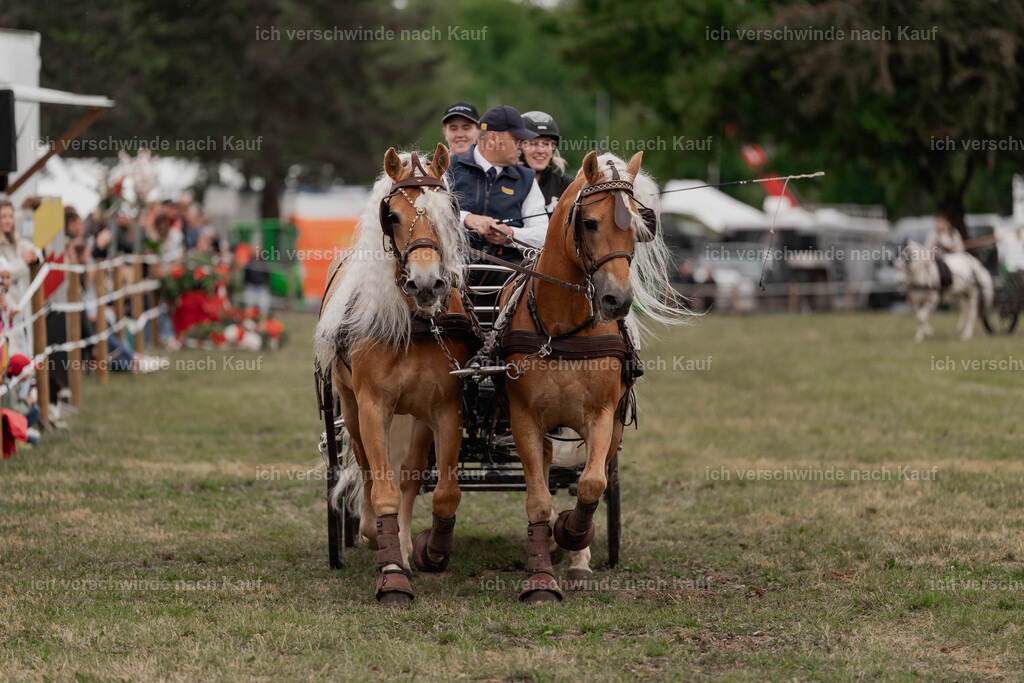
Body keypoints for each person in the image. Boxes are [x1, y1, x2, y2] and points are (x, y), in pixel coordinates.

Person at [448, 105, 548, 262]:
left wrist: (510, 235)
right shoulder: (448, 168)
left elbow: (543, 234)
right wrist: (467, 219)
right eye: (517, 140)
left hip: (509, 276)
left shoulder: (527, 179)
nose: (522, 146)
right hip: (452, 271)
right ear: (493, 138)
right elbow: (426, 215)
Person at [0, 200, 40, 355]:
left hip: (22, 307)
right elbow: (3, 273)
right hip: (6, 307)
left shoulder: (18, 241)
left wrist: (34, 257)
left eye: (10, 216)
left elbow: (36, 252)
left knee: (24, 352)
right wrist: (23, 262)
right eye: (3, 216)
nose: (7, 220)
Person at [520, 111, 572, 214]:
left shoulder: (567, 188)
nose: (540, 150)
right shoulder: (506, 184)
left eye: (545, 144)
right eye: (533, 143)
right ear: (520, 148)